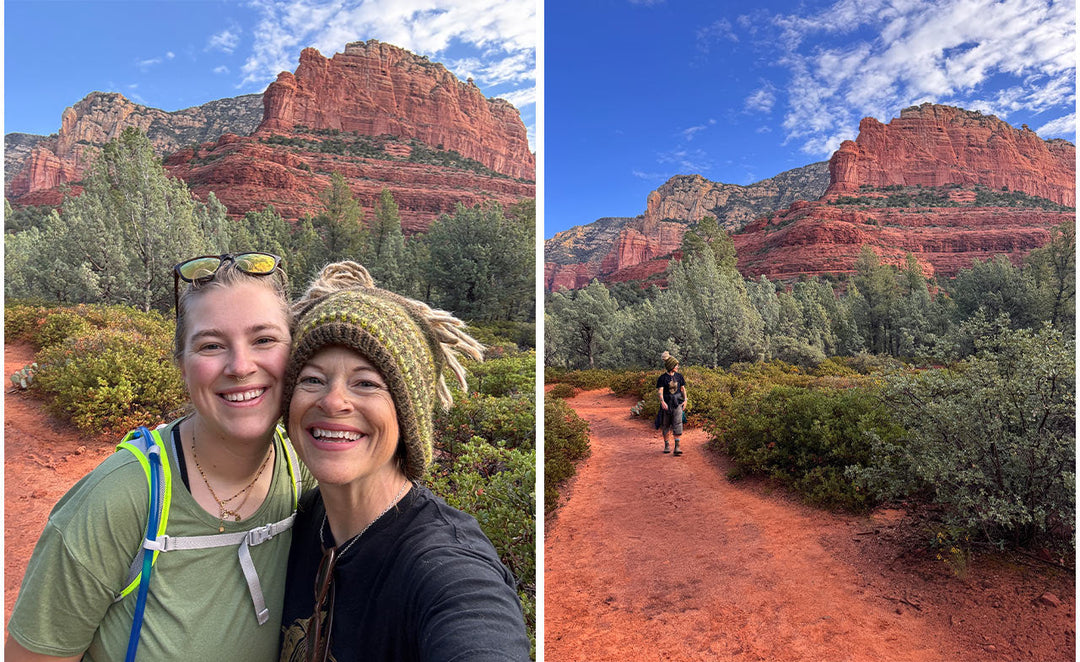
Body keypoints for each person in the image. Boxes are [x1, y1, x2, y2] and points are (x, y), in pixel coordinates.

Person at [7, 253, 310, 662]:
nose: (240, 366)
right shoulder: (117, 500)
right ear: (182, 366)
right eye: (211, 345)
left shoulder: (303, 473)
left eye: (264, 340)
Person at [278, 261, 530, 662]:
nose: (332, 401)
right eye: (312, 379)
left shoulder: (445, 565)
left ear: (407, 415)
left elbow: (477, 628)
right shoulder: (297, 523)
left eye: (366, 383)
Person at [656, 351, 687, 456]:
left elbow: (683, 389)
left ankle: (677, 447)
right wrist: (662, 402)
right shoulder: (662, 378)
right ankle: (667, 445)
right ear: (670, 366)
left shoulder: (679, 376)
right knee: (665, 425)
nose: (677, 367)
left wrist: (685, 400)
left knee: (678, 424)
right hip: (666, 404)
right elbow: (660, 391)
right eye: (675, 365)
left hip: (677, 403)